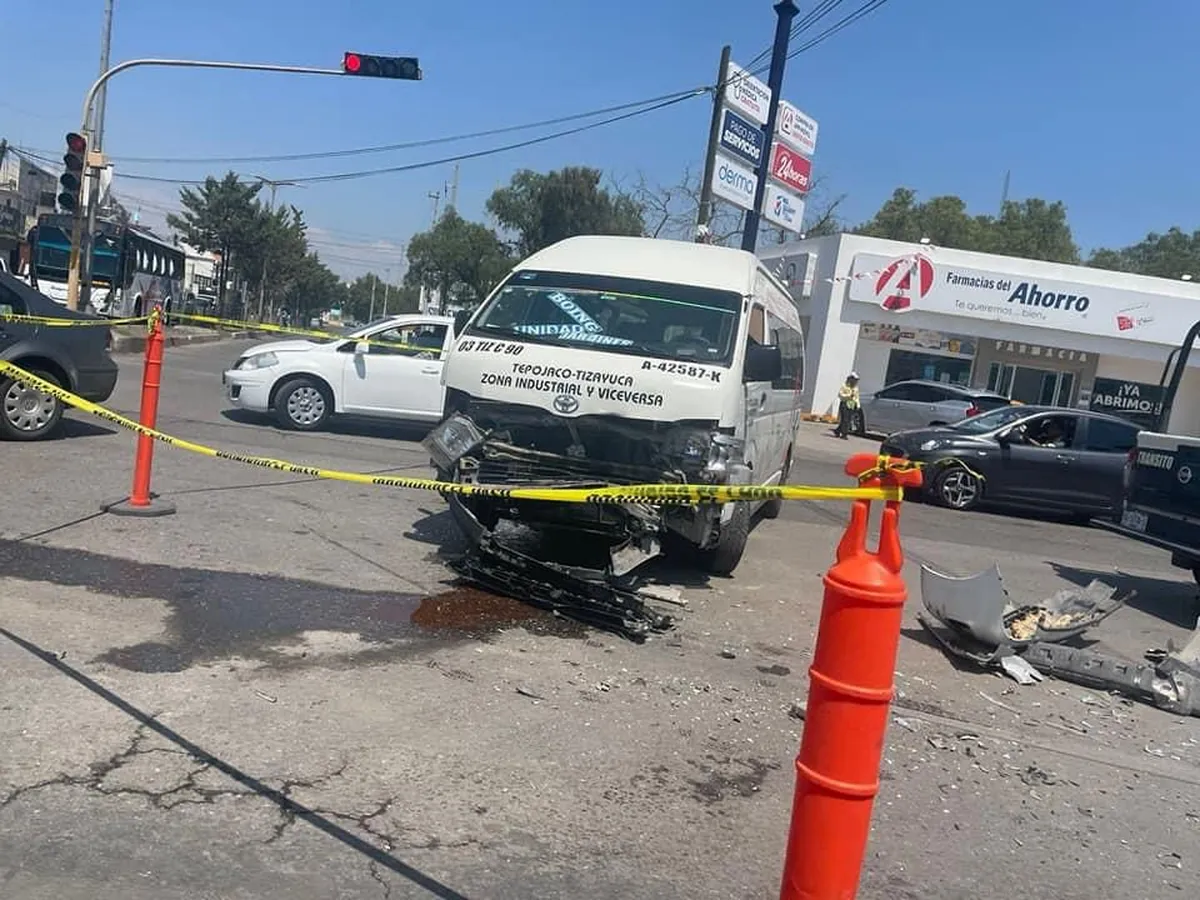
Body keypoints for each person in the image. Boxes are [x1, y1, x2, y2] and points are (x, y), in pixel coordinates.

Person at [833, 372, 861, 439]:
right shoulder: (844, 385)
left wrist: (858, 405)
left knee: (848, 420)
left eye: (856, 380)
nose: (855, 381)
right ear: (850, 379)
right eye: (854, 379)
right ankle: (844, 434)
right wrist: (848, 396)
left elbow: (857, 397)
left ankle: (837, 431)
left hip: (852, 405)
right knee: (845, 419)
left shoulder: (855, 388)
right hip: (844, 403)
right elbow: (840, 395)